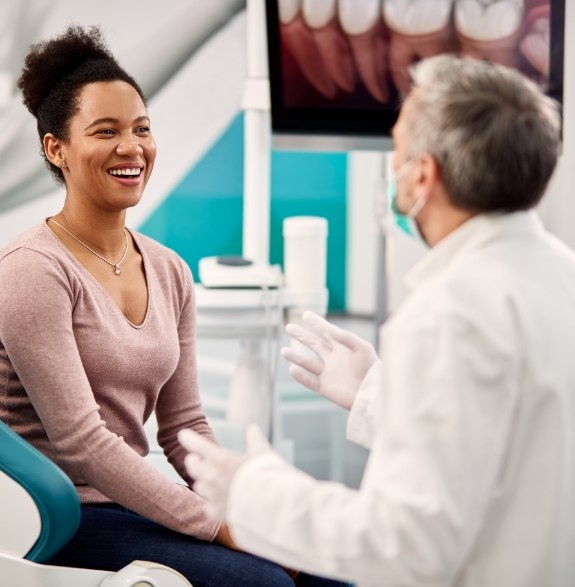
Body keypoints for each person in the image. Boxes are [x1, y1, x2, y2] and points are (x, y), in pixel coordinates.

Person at [179, 55, 575, 586]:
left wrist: (255, 491)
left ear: (423, 176)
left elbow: (403, 543)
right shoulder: (560, 277)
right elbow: (508, 444)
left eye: (397, 148)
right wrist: (376, 392)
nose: (392, 168)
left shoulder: (448, 312)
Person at [0, 25, 348, 587]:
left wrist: (243, 502)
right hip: (60, 517)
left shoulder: (168, 269)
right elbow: (82, 445)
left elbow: (184, 424)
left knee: (329, 570)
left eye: (141, 128)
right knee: (263, 583)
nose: (131, 147)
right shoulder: (30, 271)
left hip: (132, 501)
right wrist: (218, 526)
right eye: (105, 130)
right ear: (55, 148)